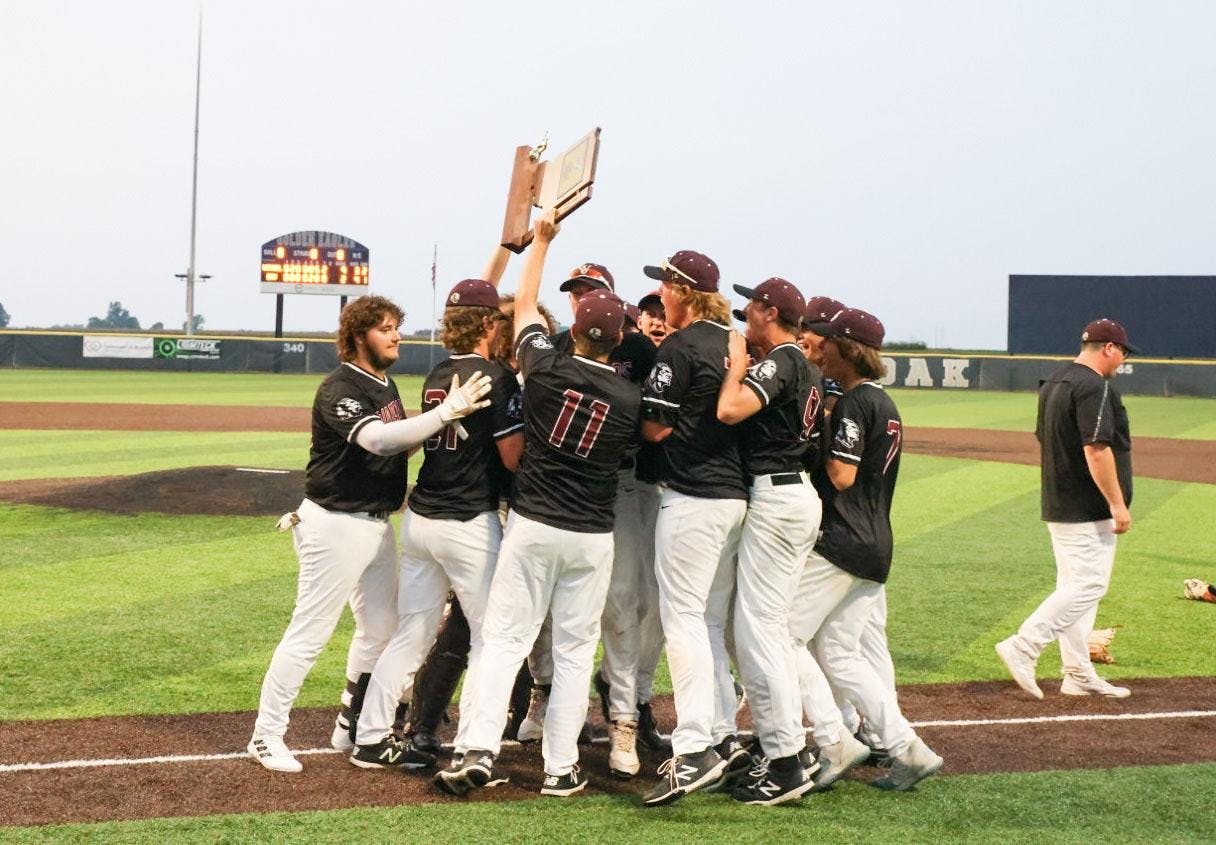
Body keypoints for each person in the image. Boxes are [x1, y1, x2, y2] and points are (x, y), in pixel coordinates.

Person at [436, 209, 642, 798]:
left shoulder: (544, 368)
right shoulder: (628, 397)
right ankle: (560, 767)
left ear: (574, 328)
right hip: (591, 534)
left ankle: (478, 746)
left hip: (533, 523)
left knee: (503, 639)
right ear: (619, 339)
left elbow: (523, 306)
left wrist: (543, 242)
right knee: (576, 651)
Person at [247, 295, 492, 773]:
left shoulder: (386, 383)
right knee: (310, 632)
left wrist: (447, 424)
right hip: (333, 523)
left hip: (376, 524)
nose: (395, 335)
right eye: (384, 328)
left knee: (381, 629)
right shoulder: (339, 386)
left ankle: (350, 726)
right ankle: (265, 735)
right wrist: (444, 414)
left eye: (396, 326)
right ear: (359, 335)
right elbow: (377, 439)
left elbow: (402, 438)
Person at [349, 277, 525, 768]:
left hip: (421, 517)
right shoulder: (496, 376)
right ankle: (474, 747)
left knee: (412, 633)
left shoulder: (437, 372)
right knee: (492, 637)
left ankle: (371, 735)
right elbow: (512, 458)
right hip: (469, 522)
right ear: (489, 322)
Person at [791, 306, 943, 792]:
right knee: (840, 654)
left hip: (843, 540)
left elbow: (842, 474)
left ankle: (834, 740)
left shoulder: (857, 401)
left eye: (830, 342)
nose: (822, 347)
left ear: (849, 349)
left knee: (778, 635)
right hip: (876, 545)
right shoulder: (886, 403)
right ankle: (909, 749)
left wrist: (817, 434)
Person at [638, 250, 750, 806]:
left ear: (683, 290)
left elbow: (655, 427)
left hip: (693, 497)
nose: (660, 295)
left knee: (682, 618)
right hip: (735, 498)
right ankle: (723, 736)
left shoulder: (680, 347)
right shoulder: (735, 341)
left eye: (665, 286)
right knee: (706, 621)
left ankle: (693, 749)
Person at [716, 278, 821, 805]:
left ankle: (786, 762)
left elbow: (731, 409)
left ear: (770, 311)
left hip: (778, 496)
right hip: (789, 494)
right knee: (759, 630)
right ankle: (786, 751)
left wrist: (736, 362)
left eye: (752, 306)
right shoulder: (800, 361)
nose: (745, 315)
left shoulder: (783, 357)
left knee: (762, 632)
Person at [996, 318, 1137, 700]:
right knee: (1090, 584)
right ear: (1108, 347)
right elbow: (1096, 447)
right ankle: (1025, 645)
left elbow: (1045, 438)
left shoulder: (1056, 381)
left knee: (1077, 588)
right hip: (1086, 506)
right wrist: (1116, 503)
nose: (1122, 360)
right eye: (1122, 351)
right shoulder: (1095, 386)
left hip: (1060, 499)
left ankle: (1077, 673)